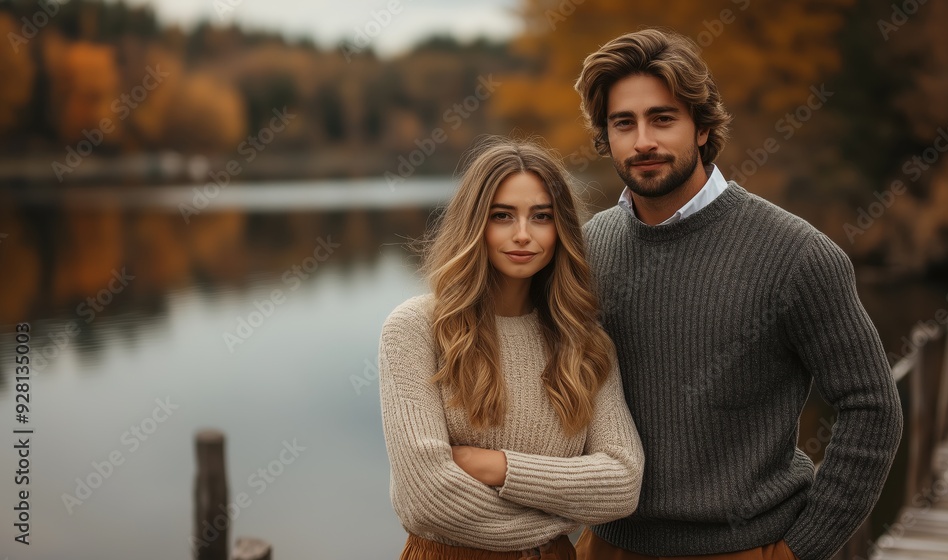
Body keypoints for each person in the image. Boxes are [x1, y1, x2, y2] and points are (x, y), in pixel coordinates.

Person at [572, 29, 904, 560]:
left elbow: (872, 406)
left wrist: (799, 549)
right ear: (605, 135)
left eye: (663, 118)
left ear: (702, 127)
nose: (642, 142)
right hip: (607, 546)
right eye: (623, 123)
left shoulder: (795, 255)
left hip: (744, 548)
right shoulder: (589, 248)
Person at [378, 136, 644, 560]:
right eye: (502, 216)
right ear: (474, 224)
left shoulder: (586, 342)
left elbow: (623, 483)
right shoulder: (416, 329)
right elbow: (425, 497)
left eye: (541, 217)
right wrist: (558, 524)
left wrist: (497, 466)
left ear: (560, 229)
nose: (523, 235)